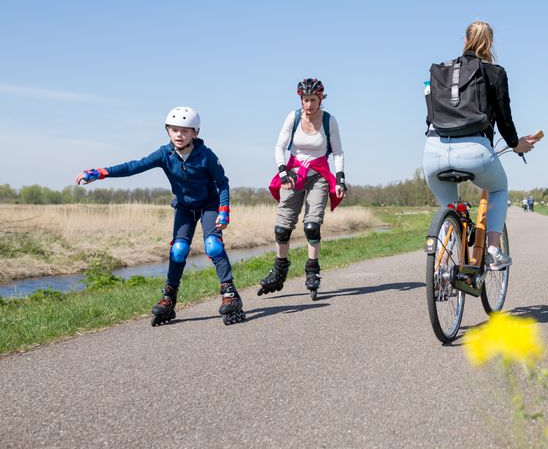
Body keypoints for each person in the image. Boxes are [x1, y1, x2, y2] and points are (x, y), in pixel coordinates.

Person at [74, 107, 244, 326]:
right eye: (174, 130)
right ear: (168, 131)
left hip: (209, 205)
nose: (179, 135)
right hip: (184, 207)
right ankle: (169, 296)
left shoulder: (206, 155)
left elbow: (222, 183)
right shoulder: (164, 154)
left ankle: (229, 292)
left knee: (213, 245)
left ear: (195, 133)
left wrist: (224, 210)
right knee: (178, 249)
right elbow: (134, 166)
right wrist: (101, 172)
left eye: (185, 131)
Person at [422, 21, 539, 269]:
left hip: (433, 151)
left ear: (465, 40)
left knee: (448, 207)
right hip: (475, 151)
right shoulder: (495, 73)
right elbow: (504, 119)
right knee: (499, 188)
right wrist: (516, 144)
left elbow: (430, 116)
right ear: (490, 44)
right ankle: (494, 248)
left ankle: (440, 265)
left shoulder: (441, 72)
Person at [258, 78, 346, 297]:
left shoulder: (329, 120)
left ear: (320, 99)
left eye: (313, 100)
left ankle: (312, 271)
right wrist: (282, 171)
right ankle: (279, 271)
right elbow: (279, 146)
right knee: (282, 228)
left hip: (319, 175)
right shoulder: (294, 117)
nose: (309, 104)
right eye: (305, 100)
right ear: (301, 100)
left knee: (312, 226)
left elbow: (337, 152)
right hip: (293, 173)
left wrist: (340, 178)